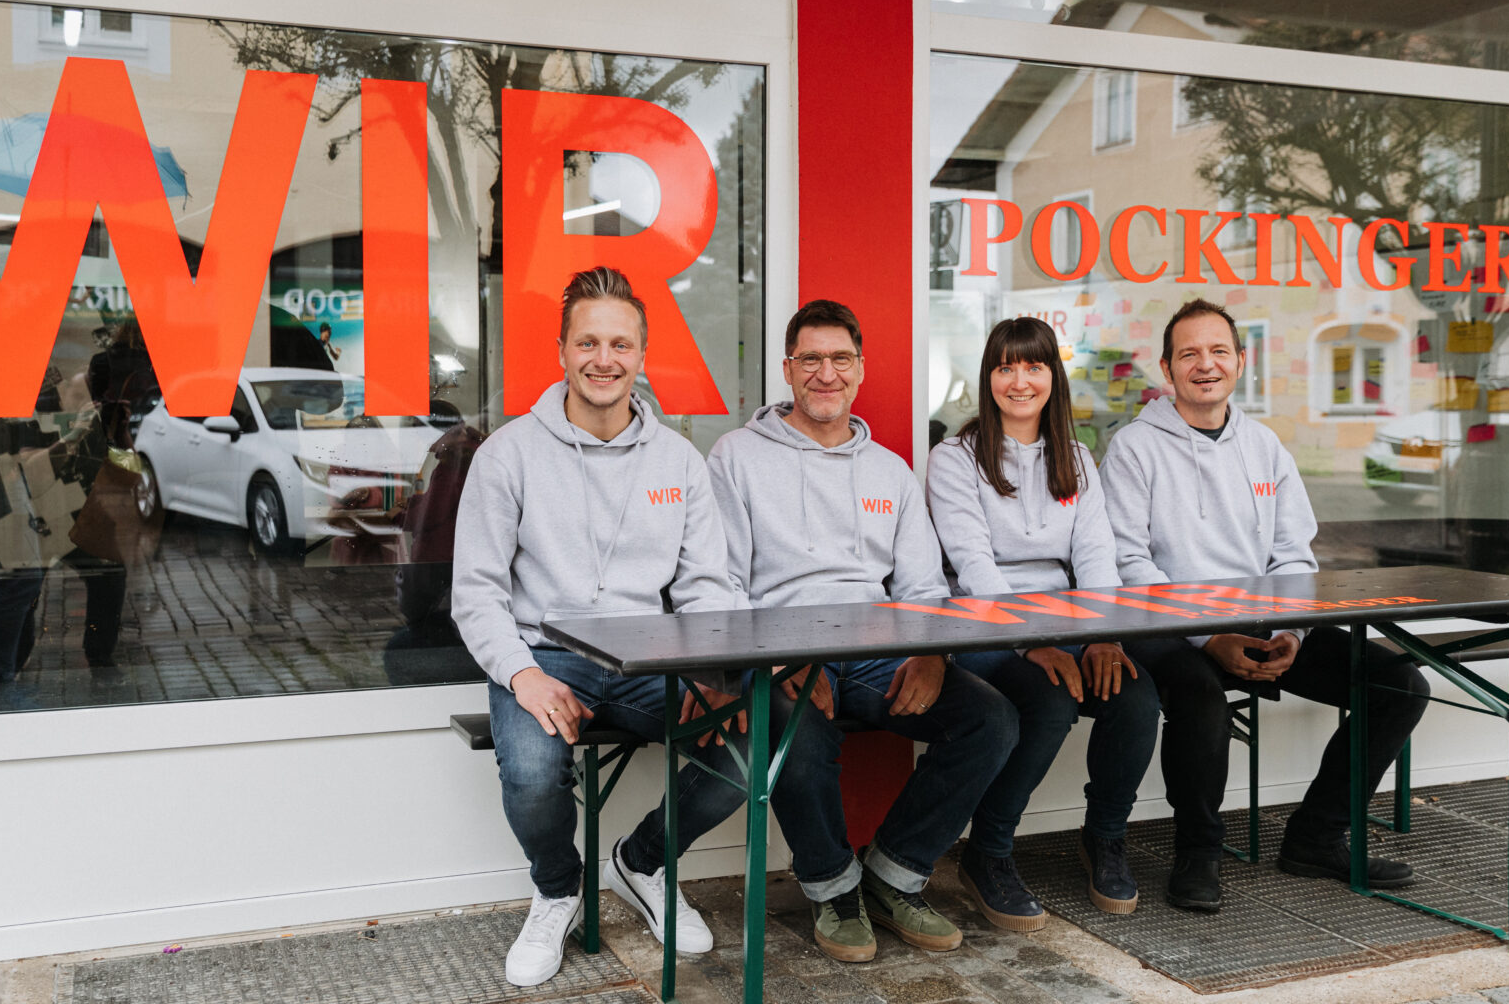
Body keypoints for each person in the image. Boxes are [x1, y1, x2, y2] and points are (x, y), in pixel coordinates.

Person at [452, 266, 750, 988]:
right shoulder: (509, 455)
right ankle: (559, 888)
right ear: (562, 350)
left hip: (650, 656)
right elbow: (475, 592)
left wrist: (709, 670)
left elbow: (708, 584)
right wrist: (523, 675)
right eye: (588, 342)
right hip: (546, 654)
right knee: (529, 769)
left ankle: (642, 860)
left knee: (751, 745)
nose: (604, 359)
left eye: (620, 344)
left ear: (642, 356)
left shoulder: (679, 459)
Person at [707, 299, 1018, 963]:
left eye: (840, 359)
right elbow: (721, 589)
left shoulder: (889, 470)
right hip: (780, 650)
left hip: (878, 652)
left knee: (989, 721)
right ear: (787, 369)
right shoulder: (735, 457)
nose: (827, 373)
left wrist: (931, 659)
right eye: (811, 360)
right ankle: (831, 887)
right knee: (793, 728)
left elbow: (924, 590)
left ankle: (893, 872)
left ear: (860, 368)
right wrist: (780, 661)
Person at [1100, 298, 1429, 913]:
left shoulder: (1265, 446)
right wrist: (1209, 635)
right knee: (1200, 698)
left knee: (1399, 685)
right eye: (1189, 354)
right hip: (1169, 626)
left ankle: (1317, 836)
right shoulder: (1134, 448)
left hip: (1264, 623)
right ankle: (1198, 850)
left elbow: (1294, 556)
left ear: (1241, 362)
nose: (1206, 364)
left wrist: (1292, 634)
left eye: (1219, 351)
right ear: (1167, 370)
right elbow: (1129, 566)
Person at [926, 317, 1159, 929]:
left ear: (1053, 377)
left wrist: (1104, 634)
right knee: (1051, 701)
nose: (1020, 380)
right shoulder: (955, 459)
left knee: (1134, 696)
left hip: (1066, 621)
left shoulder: (1077, 458)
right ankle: (989, 851)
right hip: (984, 625)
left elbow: (1096, 555)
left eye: (1033, 366)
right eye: (1006, 367)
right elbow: (973, 565)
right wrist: (1033, 646)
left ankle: (1105, 837)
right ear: (989, 378)